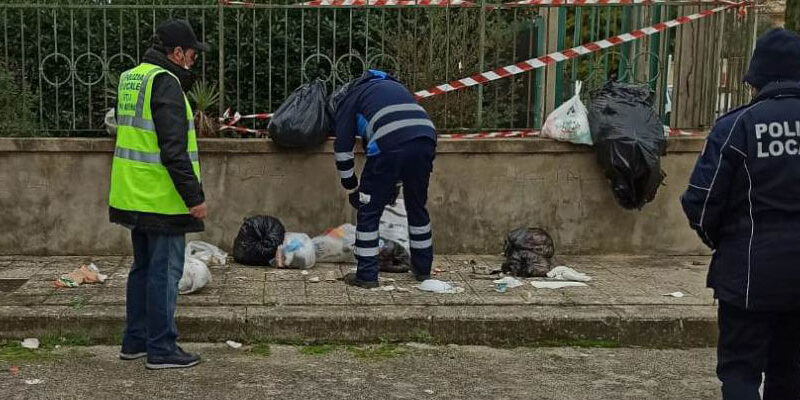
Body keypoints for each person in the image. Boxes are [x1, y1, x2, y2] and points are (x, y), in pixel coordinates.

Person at [681, 28, 800, 400]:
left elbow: (700, 201)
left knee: (741, 372)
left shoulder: (737, 125)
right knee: (792, 374)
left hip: (748, 274)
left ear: (756, 77)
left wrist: (726, 244)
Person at [108, 19, 209, 370]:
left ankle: (134, 341)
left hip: (132, 194)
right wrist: (194, 197)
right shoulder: (165, 83)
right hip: (161, 198)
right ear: (177, 52)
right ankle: (162, 348)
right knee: (164, 273)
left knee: (143, 270)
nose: (193, 61)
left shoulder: (131, 77)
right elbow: (173, 150)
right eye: (192, 54)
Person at [330, 70, 437, 288]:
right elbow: (404, 145)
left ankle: (366, 276)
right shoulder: (396, 88)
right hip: (426, 136)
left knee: (368, 211)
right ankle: (423, 271)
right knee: (417, 207)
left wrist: (352, 186)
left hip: (389, 141)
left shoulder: (351, 98)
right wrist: (393, 185)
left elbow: (342, 149)